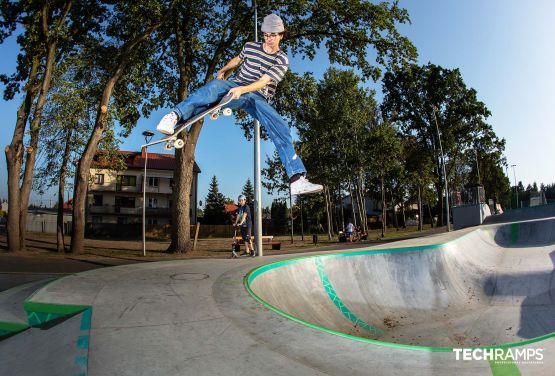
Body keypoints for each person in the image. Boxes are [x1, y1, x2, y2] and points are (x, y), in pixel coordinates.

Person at [156, 14, 323, 196]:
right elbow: (237, 59)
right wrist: (224, 69)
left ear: (281, 35)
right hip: (236, 84)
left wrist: (243, 90)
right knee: (213, 89)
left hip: (258, 96)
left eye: (273, 36)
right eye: (266, 35)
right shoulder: (251, 46)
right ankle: (174, 116)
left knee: (280, 128)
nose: (269, 39)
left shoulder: (281, 59)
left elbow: (263, 82)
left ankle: (297, 180)